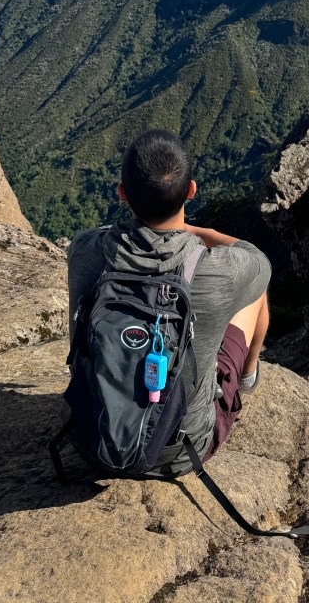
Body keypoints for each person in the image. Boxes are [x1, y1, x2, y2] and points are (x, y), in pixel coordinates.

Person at [66, 128, 271, 475]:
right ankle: (247, 376)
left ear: (122, 194)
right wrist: (193, 232)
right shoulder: (219, 270)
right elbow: (257, 258)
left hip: (91, 440)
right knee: (256, 290)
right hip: (180, 450)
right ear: (191, 190)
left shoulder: (85, 249)